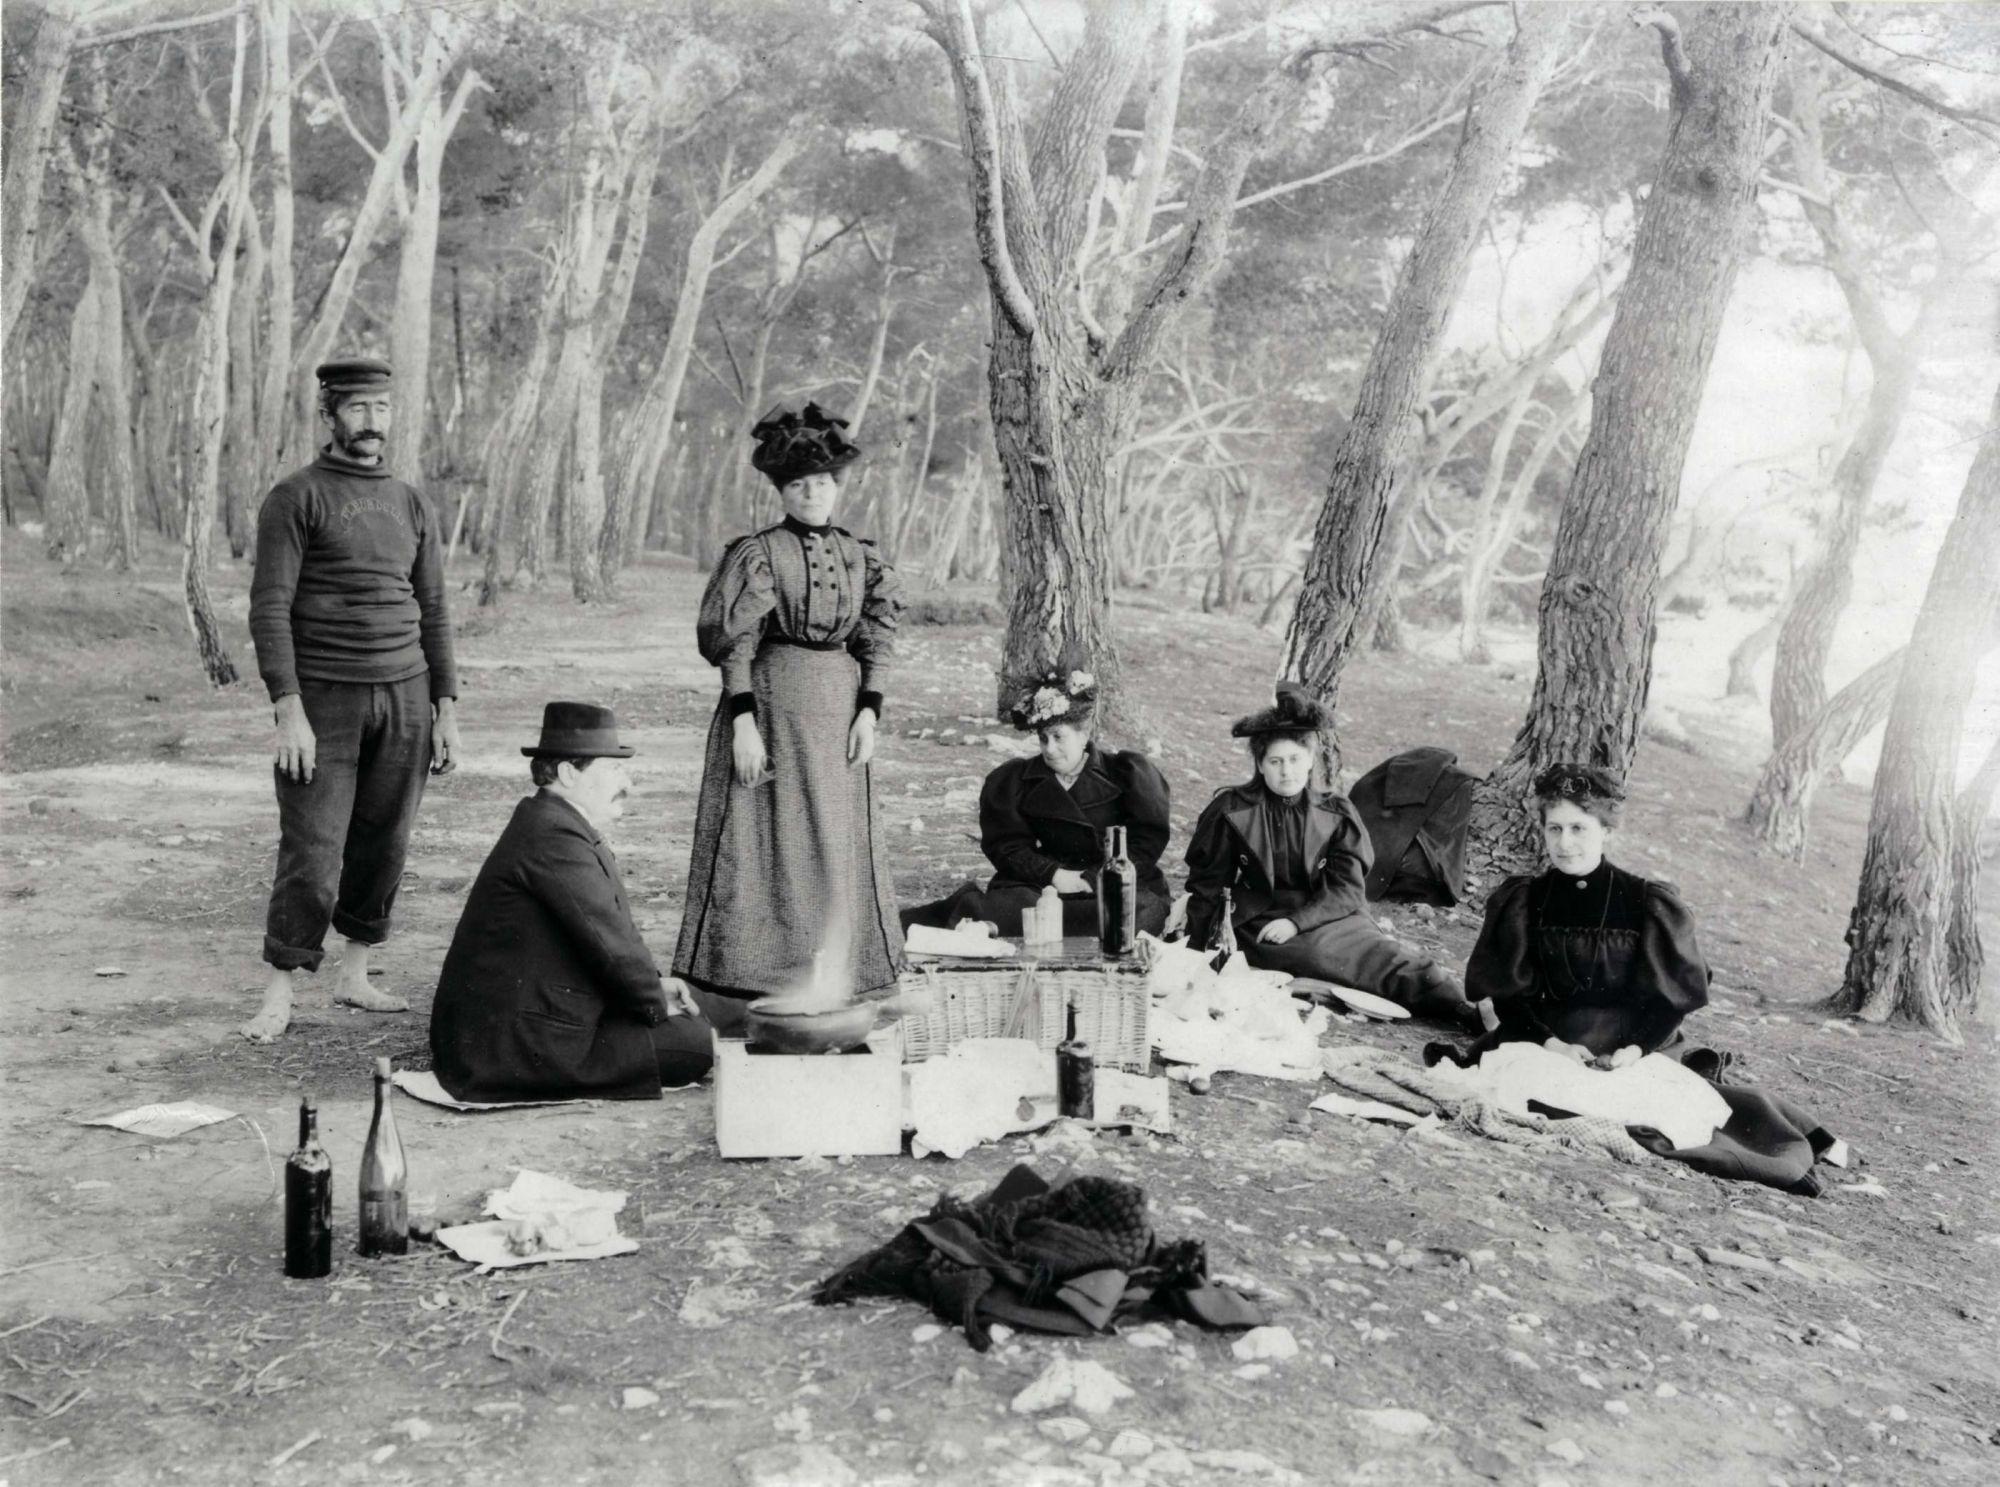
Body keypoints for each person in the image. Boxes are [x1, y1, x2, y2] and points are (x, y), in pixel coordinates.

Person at [242, 356, 460, 1042]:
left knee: (384, 843)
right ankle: (279, 991)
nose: (372, 422)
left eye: (383, 409)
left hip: (405, 694)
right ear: (329, 415)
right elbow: (269, 608)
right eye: (359, 408)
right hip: (324, 699)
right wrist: (289, 709)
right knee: (312, 850)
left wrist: (445, 705)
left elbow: (434, 608)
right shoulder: (295, 497)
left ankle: (355, 973)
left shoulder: (411, 501)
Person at [672, 403, 905, 1029]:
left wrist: (870, 711)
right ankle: (749, 984)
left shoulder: (861, 557)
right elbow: (736, 642)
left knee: (832, 838)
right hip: (770, 705)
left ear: (839, 486)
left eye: (823, 482)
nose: (812, 493)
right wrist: (744, 721)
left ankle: (835, 977)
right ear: (782, 490)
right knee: (767, 834)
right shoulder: (758, 553)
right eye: (799, 484)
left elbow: (876, 637)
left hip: (838, 711)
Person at [429, 703, 711, 1102]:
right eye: (613, 768)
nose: (627, 781)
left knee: (701, 1015)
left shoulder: (550, 822)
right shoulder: (554, 836)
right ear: (567, 773)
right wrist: (653, 1006)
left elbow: (602, 944)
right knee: (696, 1043)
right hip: (512, 1047)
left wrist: (653, 991)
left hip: (502, 1031)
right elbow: (611, 943)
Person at [1183, 683, 1475, 1025]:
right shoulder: (1232, 809)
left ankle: (1461, 1010)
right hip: (1260, 916)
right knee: (1317, 955)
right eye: (1275, 761)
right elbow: (1208, 885)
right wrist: (1195, 951)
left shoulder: (1336, 813)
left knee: (1384, 956)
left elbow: (1347, 890)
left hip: (1329, 911)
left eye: (1295, 759)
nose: (1286, 771)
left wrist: (1296, 922)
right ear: (1260, 765)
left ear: (1310, 760)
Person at [1448, 763, 1710, 1060]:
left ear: (1606, 831)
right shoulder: (1525, 899)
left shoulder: (1645, 903)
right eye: (1555, 829)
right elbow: (1509, 1000)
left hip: (1631, 1049)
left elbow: (1668, 1004)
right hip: (1541, 1045)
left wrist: (1636, 1050)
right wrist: (1553, 1046)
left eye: (1578, 828)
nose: (1565, 843)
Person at [901, 666, 1173, 939]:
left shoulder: (1126, 774)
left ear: (1083, 734)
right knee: (1015, 908)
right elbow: (1008, 846)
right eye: (1043, 739)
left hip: (1107, 883)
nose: (1049, 749)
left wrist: (1094, 878)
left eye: (1058, 737)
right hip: (1041, 886)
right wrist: (1054, 875)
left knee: (1138, 913)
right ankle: (984, 917)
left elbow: (1145, 842)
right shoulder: (1016, 780)